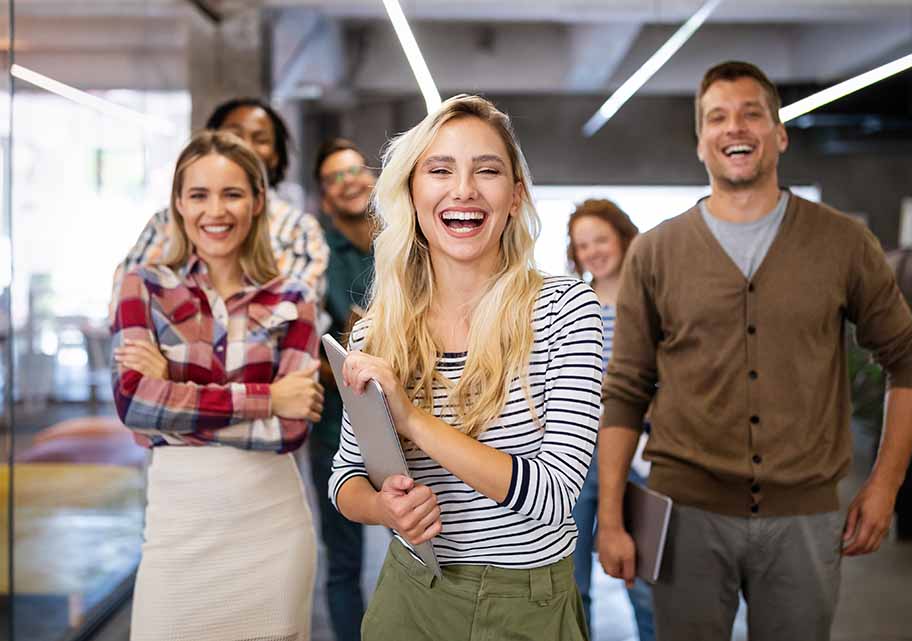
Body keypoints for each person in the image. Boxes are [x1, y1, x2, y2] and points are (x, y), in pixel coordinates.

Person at [597, 60, 912, 641]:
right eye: (718, 118)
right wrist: (610, 517)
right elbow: (625, 392)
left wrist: (884, 487)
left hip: (804, 517)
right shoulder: (656, 252)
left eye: (752, 114)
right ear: (700, 142)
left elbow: (911, 359)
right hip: (686, 516)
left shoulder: (842, 242)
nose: (735, 128)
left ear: (779, 135)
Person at [328, 94, 603, 641]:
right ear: (412, 190)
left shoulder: (565, 311)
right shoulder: (376, 332)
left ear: (515, 195)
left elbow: (553, 496)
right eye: (440, 170)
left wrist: (412, 421)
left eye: (488, 171)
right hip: (410, 597)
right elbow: (344, 478)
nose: (464, 190)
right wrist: (386, 510)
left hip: (527, 604)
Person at [111, 130, 323, 641]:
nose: (216, 211)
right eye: (199, 195)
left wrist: (175, 399)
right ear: (179, 205)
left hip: (271, 533)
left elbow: (291, 429)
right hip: (177, 535)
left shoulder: (293, 297)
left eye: (232, 194)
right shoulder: (144, 284)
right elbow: (136, 404)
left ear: (256, 201)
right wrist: (267, 397)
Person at [115, 97, 328, 299]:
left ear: (276, 155)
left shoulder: (299, 229)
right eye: (233, 135)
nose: (245, 146)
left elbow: (292, 315)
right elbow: (126, 300)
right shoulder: (164, 222)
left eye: (260, 139)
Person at [567, 199, 654, 641]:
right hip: (579, 454)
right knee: (572, 580)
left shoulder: (651, 301)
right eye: (583, 245)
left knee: (643, 580)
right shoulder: (573, 305)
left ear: (622, 236)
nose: (593, 252)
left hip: (641, 452)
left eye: (600, 239)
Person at [309, 137, 376, 641]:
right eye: (335, 177)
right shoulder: (316, 259)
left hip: (415, 420)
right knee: (343, 561)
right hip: (337, 426)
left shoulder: (410, 244)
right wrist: (347, 361)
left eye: (355, 169)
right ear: (326, 198)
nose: (349, 180)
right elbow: (299, 354)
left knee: (426, 546)